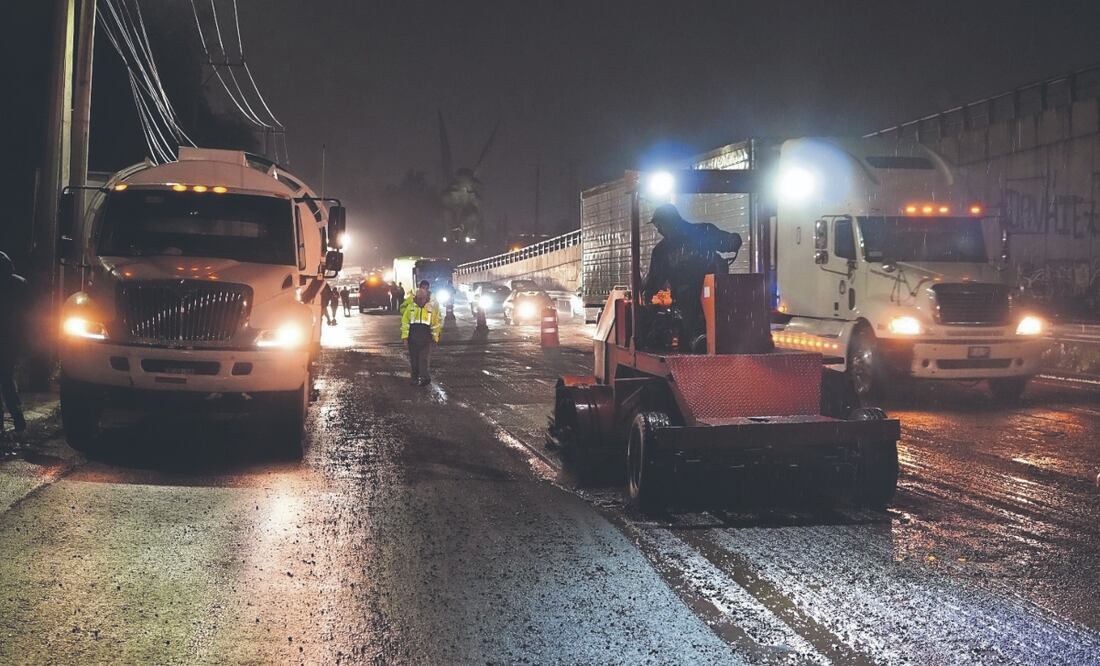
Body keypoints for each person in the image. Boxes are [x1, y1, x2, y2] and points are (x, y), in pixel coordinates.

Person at [641, 203, 742, 352]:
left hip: (690, 299)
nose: (658, 230)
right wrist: (734, 240)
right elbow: (730, 242)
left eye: (659, 225)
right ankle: (704, 342)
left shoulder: (663, 250)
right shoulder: (703, 232)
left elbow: (655, 280)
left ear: (669, 222)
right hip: (714, 297)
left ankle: (695, 345)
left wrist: (647, 298)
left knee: (687, 325)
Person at [0, 251, 28, 438]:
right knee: (7, 381)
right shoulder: (20, 284)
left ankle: (8, 424)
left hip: (8, 339)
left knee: (6, 381)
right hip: (11, 341)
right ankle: (19, 423)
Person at [400, 280, 443, 386]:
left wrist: (435, 339)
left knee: (423, 360)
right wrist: (405, 338)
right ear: (415, 299)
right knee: (414, 360)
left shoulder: (430, 309)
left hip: (425, 339)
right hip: (413, 339)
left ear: (426, 298)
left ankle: (425, 377)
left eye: (422, 299)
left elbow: (435, 325)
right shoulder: (410, 309)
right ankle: (415, 377)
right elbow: (405, 324)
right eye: (419, 299)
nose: (421, 301)